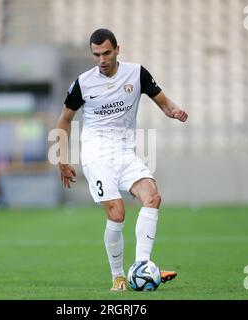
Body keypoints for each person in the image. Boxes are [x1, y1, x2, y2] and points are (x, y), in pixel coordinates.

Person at [56, 29, 188, 291]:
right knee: (117, 213)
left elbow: (163, 102)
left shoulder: (137, 73)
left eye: (106, 53)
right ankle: (117, 276)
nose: (102, 59)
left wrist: (175, 111)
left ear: (118, 49)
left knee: (152, 197)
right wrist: (63, 158)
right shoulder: (83, 83)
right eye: (96, 55)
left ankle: (141, 266)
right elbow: (64, 120)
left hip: (125, 153)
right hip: (96, 155)